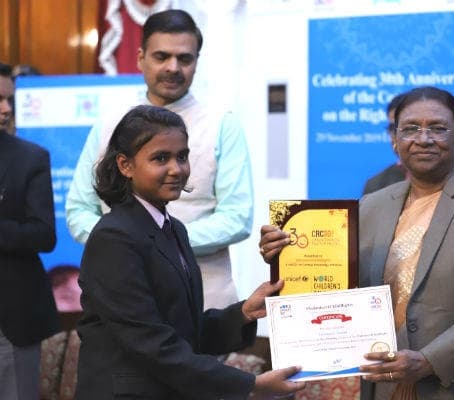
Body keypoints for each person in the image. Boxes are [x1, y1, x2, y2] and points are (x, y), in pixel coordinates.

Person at [260, 86, 454, 399]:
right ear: (395, 139)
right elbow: (342, 285)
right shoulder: (371, 205)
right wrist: (286, 255)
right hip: (386, 384)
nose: (424, 139)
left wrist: (429, 361)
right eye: (410, 129)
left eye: (438, 128)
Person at [76, 105, 305, 399]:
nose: (177, 169)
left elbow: (185, 331)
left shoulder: (174, 229)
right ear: (125, 165)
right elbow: (152, 344)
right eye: (160, 158)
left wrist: (244, 312)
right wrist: (251, 385)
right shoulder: (114, 237)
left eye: (182, 156)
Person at [66, 9, 253, 309]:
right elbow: (79, 210)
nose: (173, 67)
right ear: (141, 58)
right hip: (122, 289)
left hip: (204, 298)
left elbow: (237, 218)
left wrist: (162, 242)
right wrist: (123, 243)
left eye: (184, 58)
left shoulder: (221, 124)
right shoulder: (110, 123)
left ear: (197, 62)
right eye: (162, 56)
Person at [0, 62, 60, 400]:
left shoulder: (30, 158)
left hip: (11, 320)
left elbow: (43, 234)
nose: (6, 109)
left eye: (9, 99)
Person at [362, 92, 408, 194]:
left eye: (409, 128)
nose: (398, 135)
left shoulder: (446, 180)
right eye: (393, 128)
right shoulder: (375, 186)